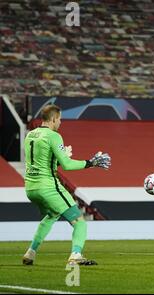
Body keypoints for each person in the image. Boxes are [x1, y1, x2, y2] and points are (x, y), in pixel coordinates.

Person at [22, 105, 111, 266]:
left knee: (52, 215)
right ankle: (76, 255)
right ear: (54, 118)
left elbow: (42, 162)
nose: (60, 122)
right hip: (48, 186)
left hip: (30, 187)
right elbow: (68, 165)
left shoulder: (30, 135)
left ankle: (31, 252)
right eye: (60, 119)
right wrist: (90, 163)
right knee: (79, 221)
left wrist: (59, 158)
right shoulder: (54, 136)